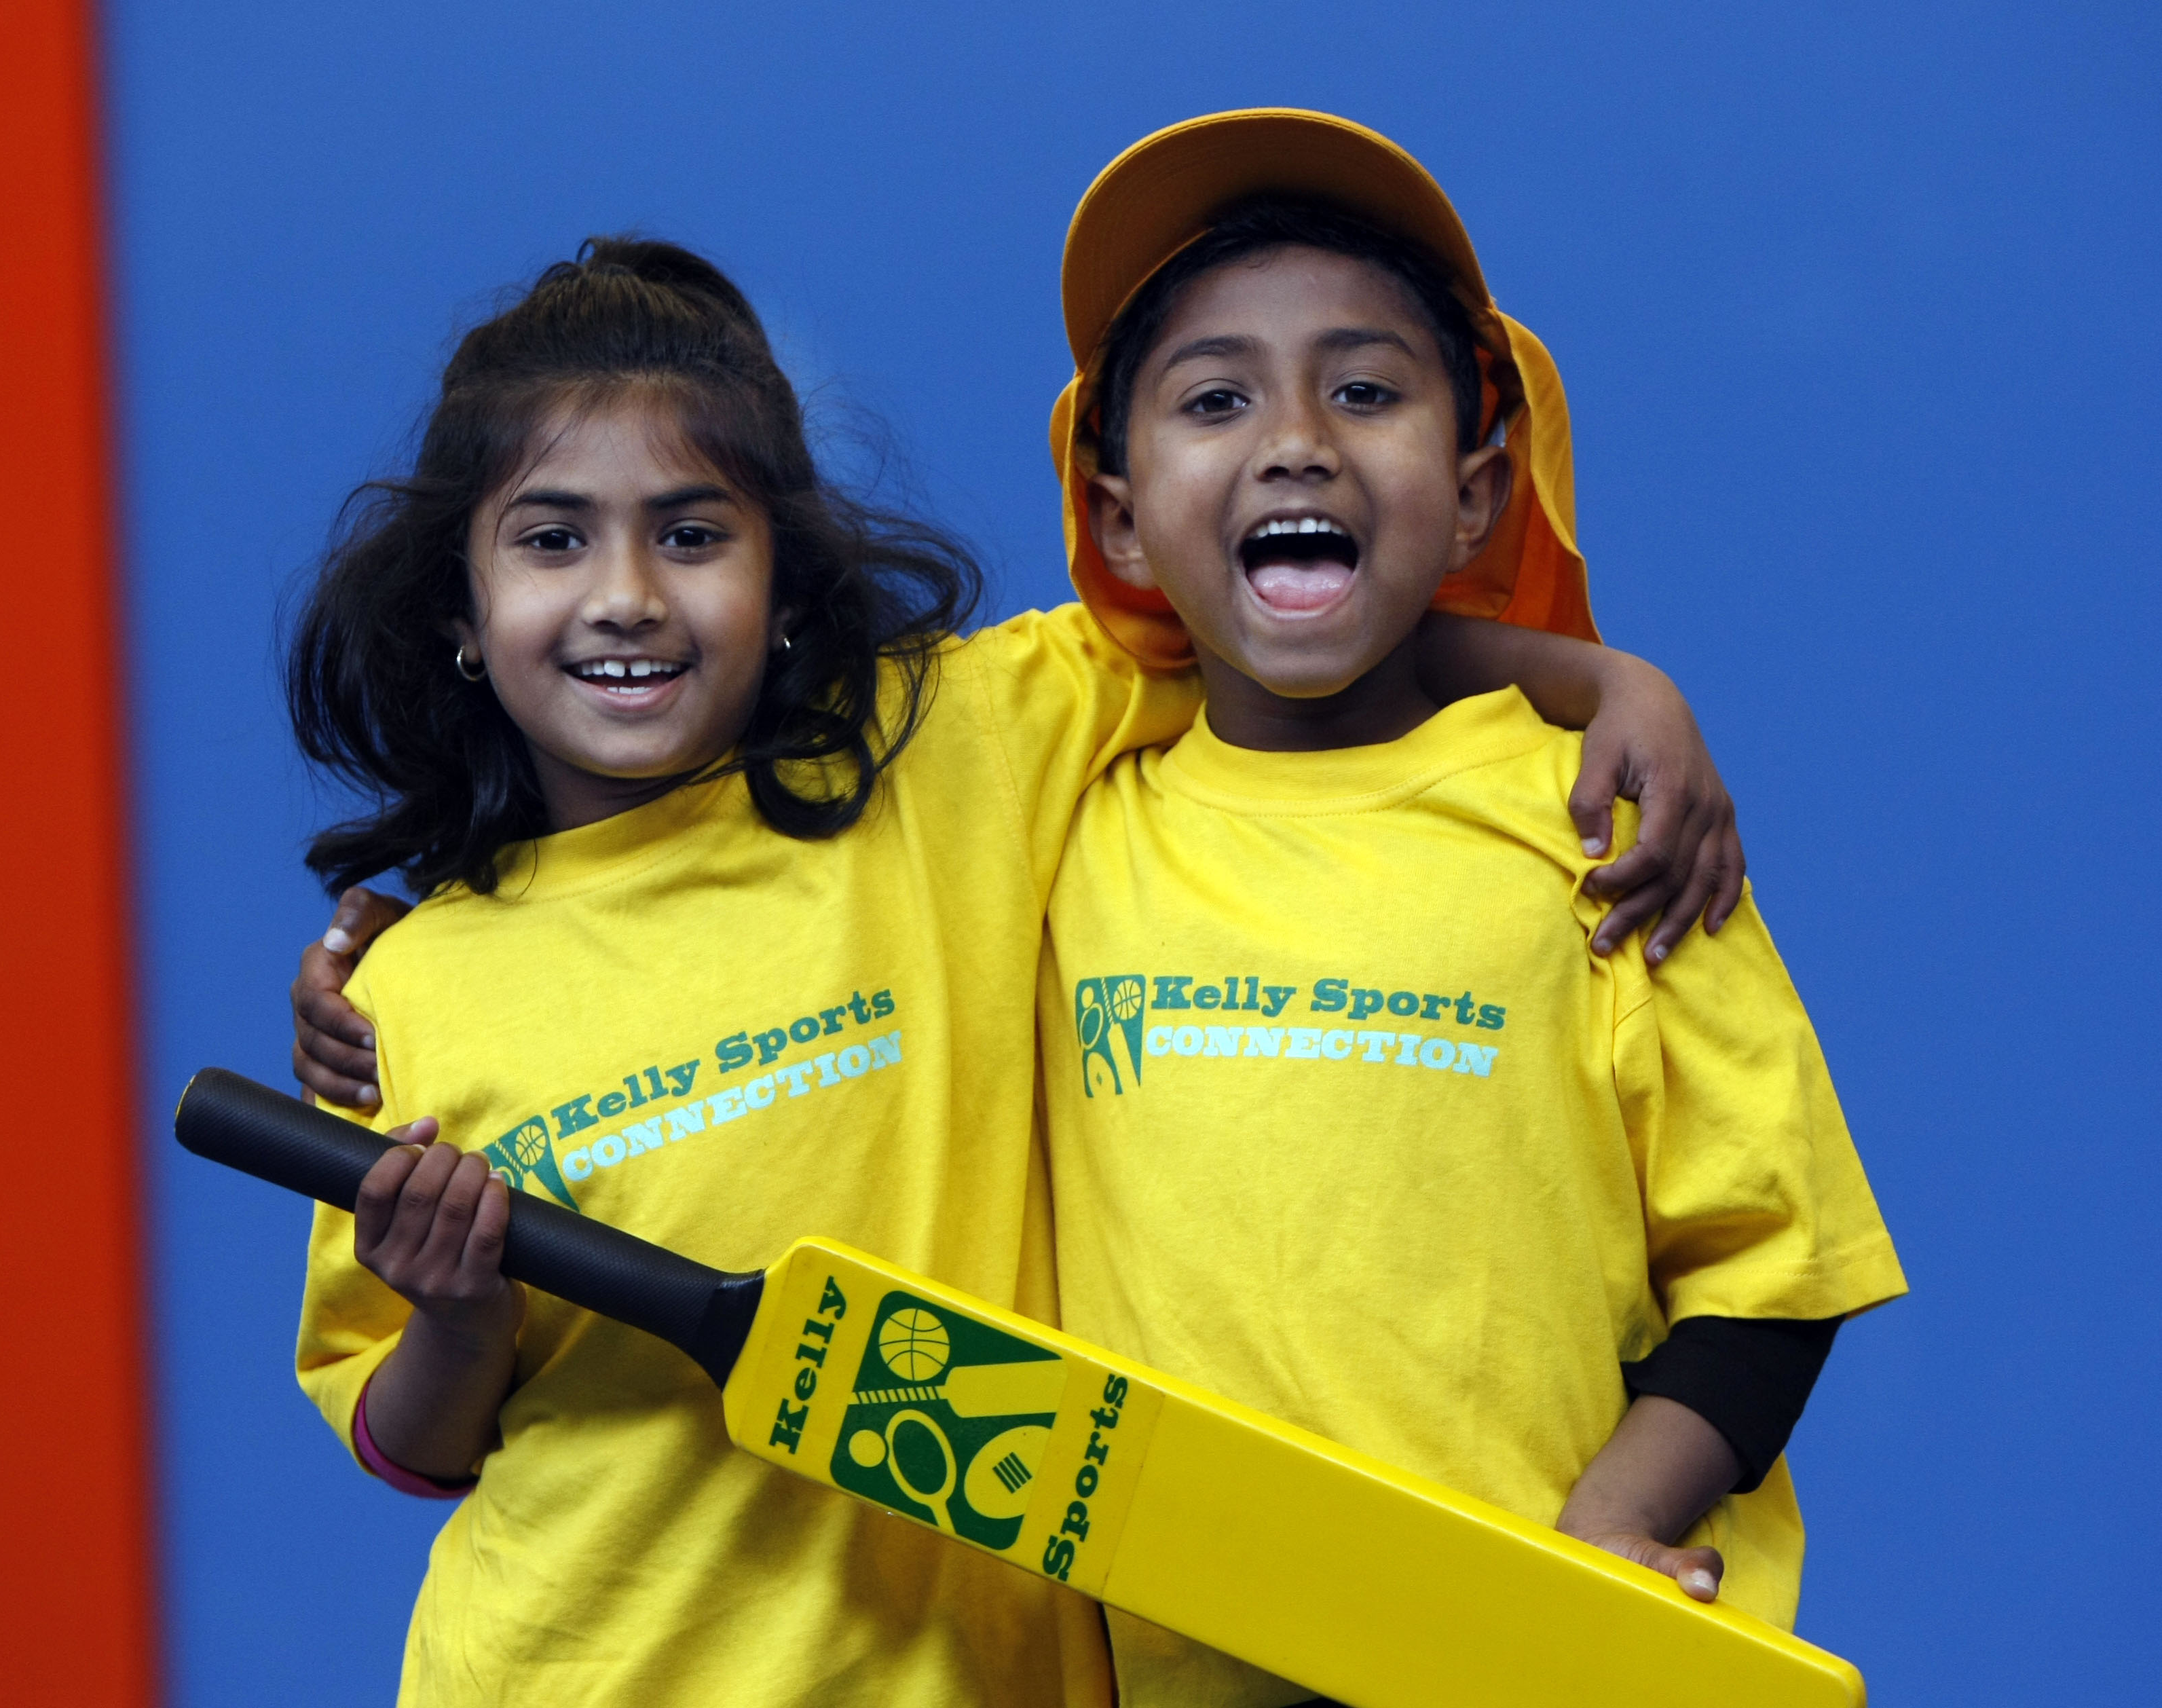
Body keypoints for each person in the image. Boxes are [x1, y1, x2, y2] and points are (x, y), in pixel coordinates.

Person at [284, 234, 1747, 1705]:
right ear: (461, 612)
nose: (625, 597)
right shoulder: (408, 996)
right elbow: (412, 1445)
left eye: (692, 535)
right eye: (551, 542)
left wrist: (1608, 683)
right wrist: (458, 1313)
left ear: (785, 581)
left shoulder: (954, 755)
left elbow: (1273, 625)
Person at [1032, 110, 1908, 1708]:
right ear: (1116, 515)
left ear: (1472, 487)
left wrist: (1596, 1542)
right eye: (1214, 399)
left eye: (1364, 391)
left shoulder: (1610, 818)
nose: (1296, 440)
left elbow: (1770, 1276)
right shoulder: (1056, 834)